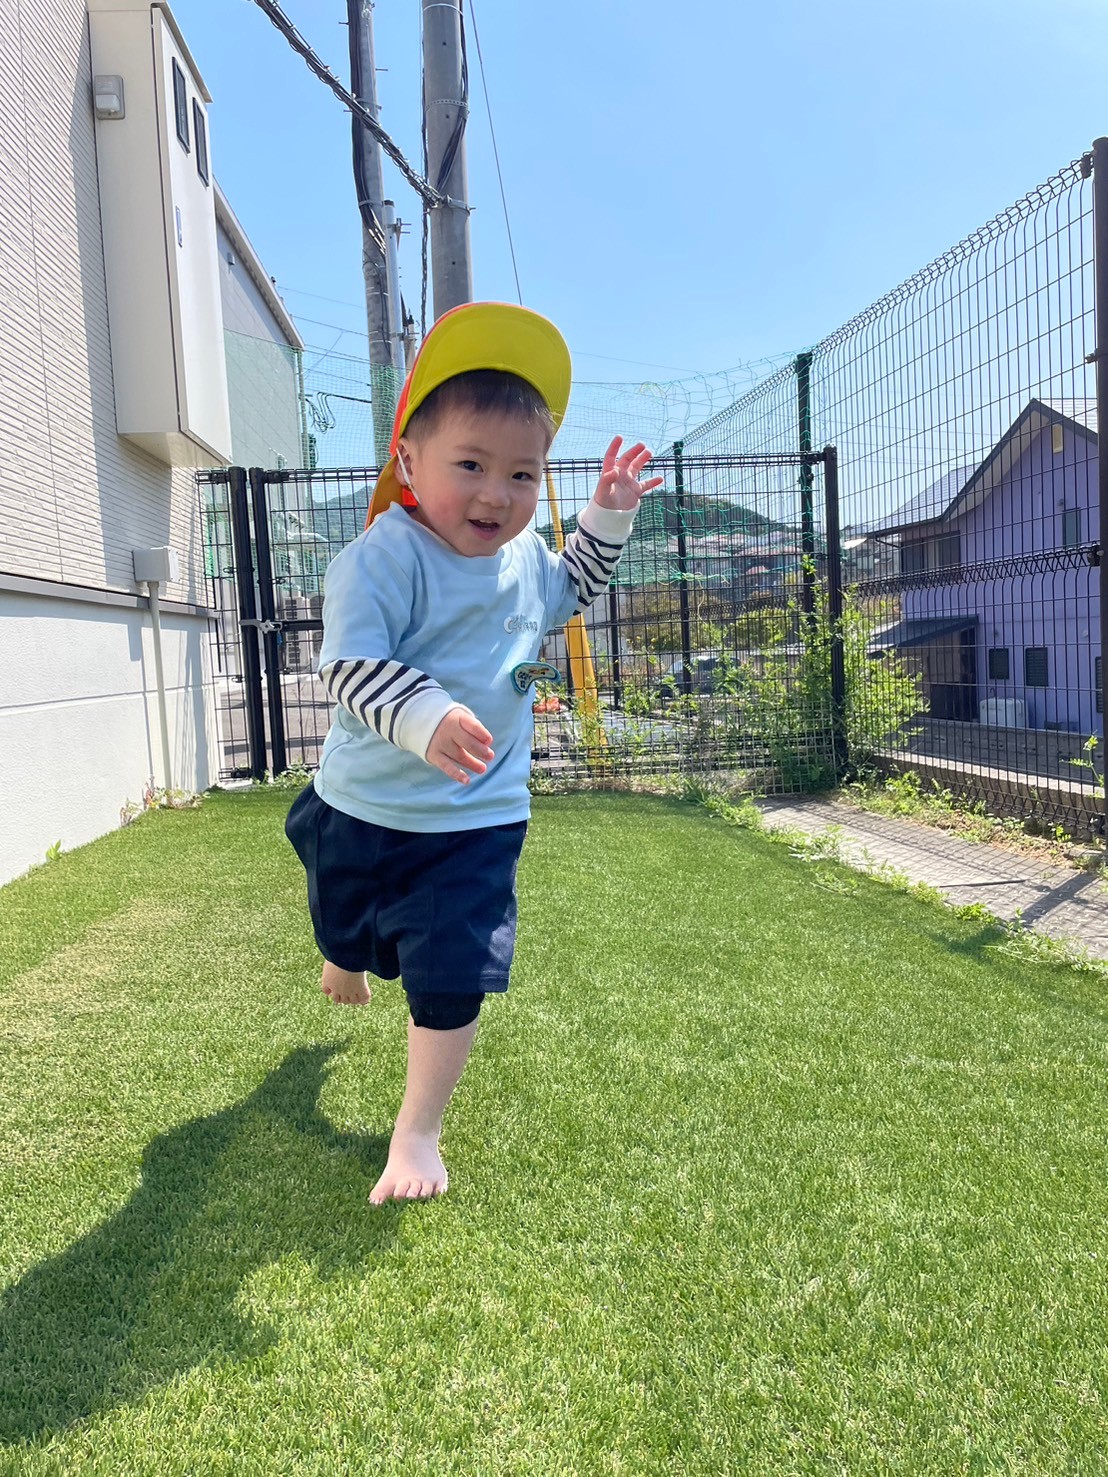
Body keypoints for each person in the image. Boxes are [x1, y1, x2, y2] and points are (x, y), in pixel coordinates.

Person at [285, 302, 662, 1205]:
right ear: (408, 460)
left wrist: (608, 517)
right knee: (346, 922)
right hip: (363, 806)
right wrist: (426, 714)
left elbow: (571, 590)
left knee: (453, 972)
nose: (497, 493)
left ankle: (418, 1130)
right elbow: (349, 664)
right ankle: (345, 950)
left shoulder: (526, 556)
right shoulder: (383, 557)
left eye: (522, 473)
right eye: (471, 465)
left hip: (477, 818)